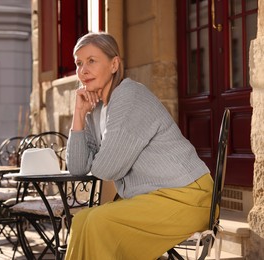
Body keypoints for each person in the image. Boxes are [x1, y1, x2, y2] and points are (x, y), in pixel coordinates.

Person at [65, 32, 214, 259]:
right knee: (82, 220)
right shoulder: (94, 110)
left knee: (98, 221)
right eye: (79, 63)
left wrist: (98, 157)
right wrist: (78, 114)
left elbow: (106, 170)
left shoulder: (129, 96)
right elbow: (76, 167)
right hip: (151, 199)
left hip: (189, 197)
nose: (83, 70)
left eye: (92, 61)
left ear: (114, 64)